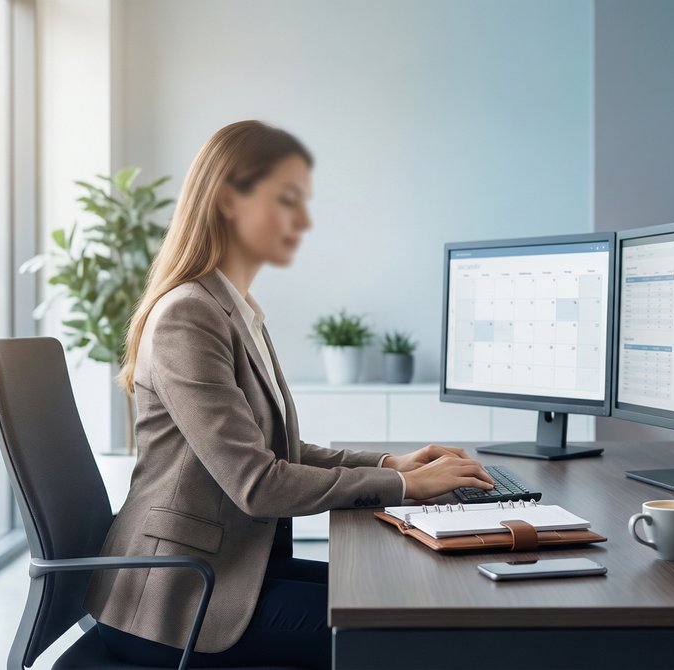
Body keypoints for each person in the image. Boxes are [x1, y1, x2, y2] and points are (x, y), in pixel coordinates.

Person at [84, 120, 495, 669]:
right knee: (408, 632)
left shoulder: (236, 309)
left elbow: (274, 450)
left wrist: (392, 463)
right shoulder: (189, 315)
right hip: (174, 602)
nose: (303, 220)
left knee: (409, 601)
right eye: (287, 200)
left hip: (230, 568)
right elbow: (257, 483)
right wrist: (402, 485)